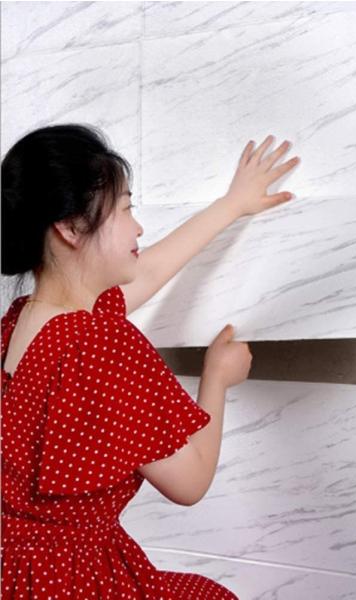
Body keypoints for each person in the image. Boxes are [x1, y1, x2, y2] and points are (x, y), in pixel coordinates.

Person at [0, 124, 300, 598]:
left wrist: (232, 204)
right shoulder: (103, 346)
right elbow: (190, 483)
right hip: (74, 581)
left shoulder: (19, 324)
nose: (137, 227)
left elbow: (151, 270)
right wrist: (216, 378)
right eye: (125, 208)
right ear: (70, 228)